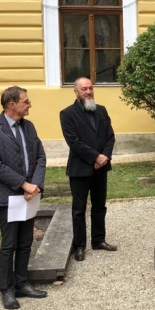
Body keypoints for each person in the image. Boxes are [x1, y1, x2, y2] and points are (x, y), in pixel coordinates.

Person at [0, 86, 47, 310]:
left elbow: (40, 156)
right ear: (12, 104)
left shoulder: (29, 127)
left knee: (26, 242)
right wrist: (23, 184)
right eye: (26, 102)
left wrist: (35, 185)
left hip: (29, 195)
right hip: (8, 196)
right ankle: (6, 289)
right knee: (9, 244)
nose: (30, 105)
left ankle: (22, 283)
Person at [60, 77, 117, 262]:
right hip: (80, 169)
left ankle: (98, 240)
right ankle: (79, 246)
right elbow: (73, 142)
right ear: (76, 92)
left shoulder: (101, 110)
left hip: (101, 168)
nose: (88, 92)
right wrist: (95, 157)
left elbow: (110, 136)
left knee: (100, 206)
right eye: (84, 89)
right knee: (79, 209)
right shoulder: (67, 114)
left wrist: (104, 157)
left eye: (90, 88)